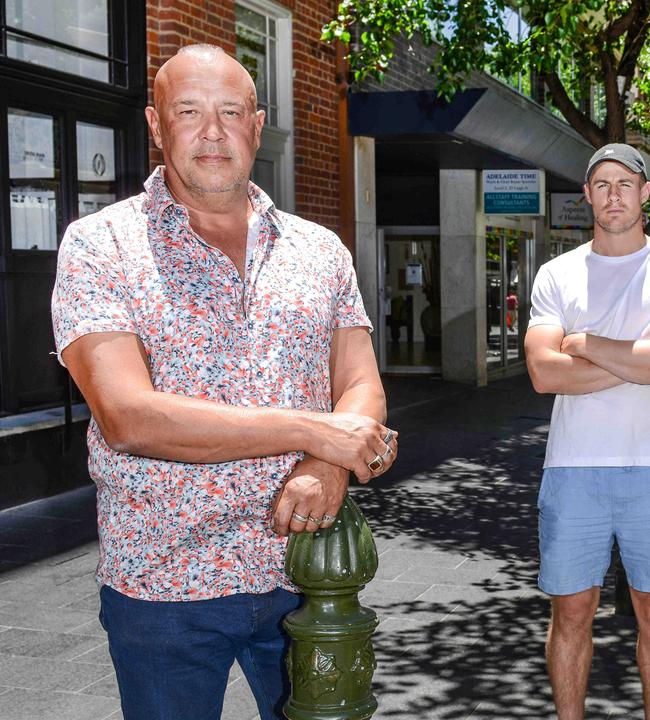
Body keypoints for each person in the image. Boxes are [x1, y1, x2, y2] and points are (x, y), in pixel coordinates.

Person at [50, 45, 399, 720]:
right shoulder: (101, 246)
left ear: (257, 126)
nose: (212, 131)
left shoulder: (319, 250)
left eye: (230, 111)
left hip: (307, 574)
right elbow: (129, 416)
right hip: (164, 583)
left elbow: (361, 385)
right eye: (189, 112)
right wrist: (313, 431)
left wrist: (327, 462)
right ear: (156, 126)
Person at [525, 143, 650, 720]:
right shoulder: (557, 274)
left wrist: (586, 344)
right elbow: (541, 372)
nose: (613, 194)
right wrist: (636, 362)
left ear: (646, 192)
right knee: (571, 612)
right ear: (586, 195)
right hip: (572, 469)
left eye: (625, 183)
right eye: (601, 184)